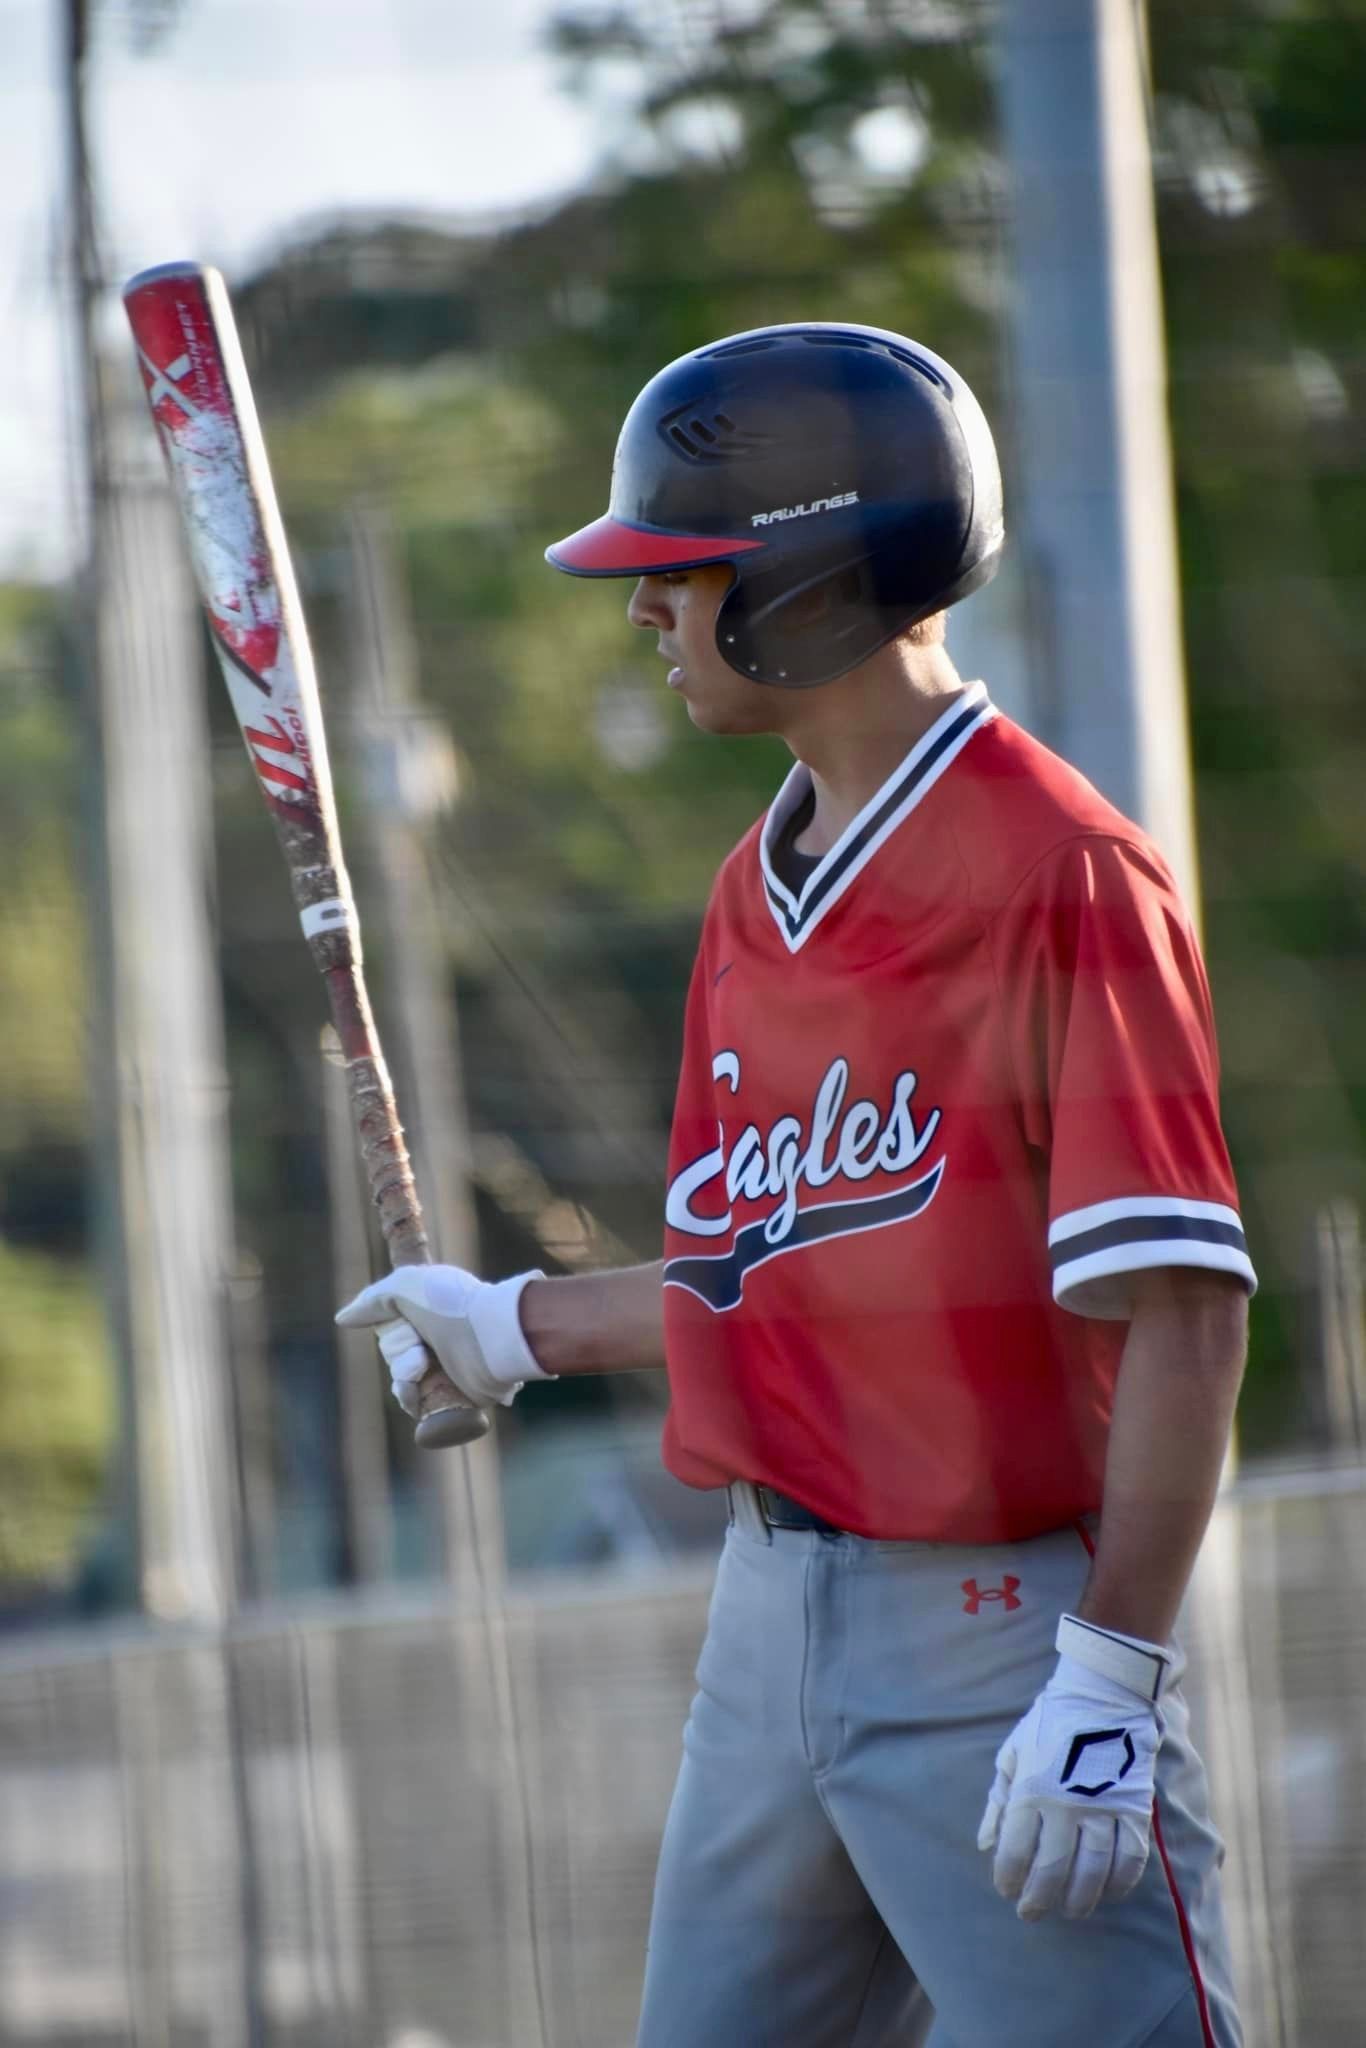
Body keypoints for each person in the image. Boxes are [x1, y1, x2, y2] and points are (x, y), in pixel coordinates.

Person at [338, 323, 1255, 2048]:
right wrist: (512, 1327)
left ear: (804, 583)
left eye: (675, 576)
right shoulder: (752, 893)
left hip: (1003, 1634)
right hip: (769, 1620)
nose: (641, 610)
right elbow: (764, 1286)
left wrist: (1111, 1670)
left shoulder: (1062, 873)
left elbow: (1186, 1314)